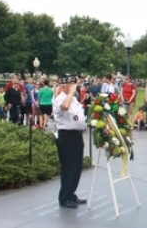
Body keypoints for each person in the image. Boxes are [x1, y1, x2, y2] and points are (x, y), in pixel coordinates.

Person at [53, 74, 87, 208]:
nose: (74, 87)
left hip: (76, 136)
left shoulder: (73, 99)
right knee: (68, 168)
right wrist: (71, 92)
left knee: (76, 168)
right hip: (66, 137)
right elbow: (64, 107)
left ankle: (71, 194)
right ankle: (64, 197)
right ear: (64, 86)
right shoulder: (60, 99)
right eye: (71, 84)